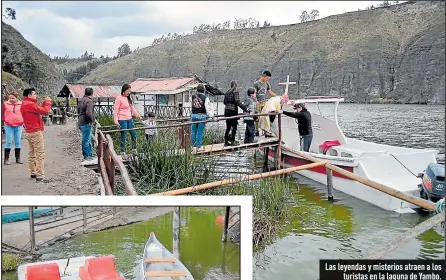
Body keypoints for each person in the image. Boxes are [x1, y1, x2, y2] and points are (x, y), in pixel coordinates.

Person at [20, 88, 52, 182]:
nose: (36, 95)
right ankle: (40, 175)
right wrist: (48, 101)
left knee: (31, 153)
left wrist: (44, 103)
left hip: (29, 131)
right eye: (34, 94)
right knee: (40, 153)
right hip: (36, 131)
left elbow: (39, 110)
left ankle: (33, 172)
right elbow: (45, 111)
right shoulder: (29, 104)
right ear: (29, 95)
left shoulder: (26, 104)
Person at [114, 83, 142, 154]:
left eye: (130, 91)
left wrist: (137, 115)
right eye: (128, 91)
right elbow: (116, 110)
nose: (129, 93)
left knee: (134, 133)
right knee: (124, 134)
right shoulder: (119, 98)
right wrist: (116, 121)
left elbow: (132, 108)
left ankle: (134, 149)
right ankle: (123, 151)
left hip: (129, 119)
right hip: (122, 119)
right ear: (124, 90)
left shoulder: (129, 98)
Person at [2, 92, 24, 165]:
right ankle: (6, 159)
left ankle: (18, 159)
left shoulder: (21, 104)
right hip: (8, 125)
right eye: (10, 98)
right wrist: (4, 120)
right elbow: (2, 113)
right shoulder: (5, 104)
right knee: (9, 141)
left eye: (13, 98)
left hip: (19, 125)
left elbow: (24, 113)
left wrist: (23, 121)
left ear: (16, 98)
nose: (11, 99)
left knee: (17, 141)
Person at [253, 70, 277, 136]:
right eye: (267, 78)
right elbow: (254, 94)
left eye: (268, 79)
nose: (267, 80)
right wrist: (256, 101)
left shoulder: (267, 83)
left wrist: (277, 96)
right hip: (257, 102)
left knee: (265, 117)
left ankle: (266, 131)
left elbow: (270, 92)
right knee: (257, 117)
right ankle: (256, 130)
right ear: (263, 76)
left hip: (264, 102)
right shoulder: (256, 84)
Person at [190, 83, 214, 151]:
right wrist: (211, 116)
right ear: (204, 90)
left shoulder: (192, 97)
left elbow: (191, 105)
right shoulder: (205, 98)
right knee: (200, 132)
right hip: (201, 116)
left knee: (193, 131)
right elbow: (208, 108)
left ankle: (191, 146)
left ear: (197, 89)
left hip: (193, 115)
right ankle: (198, 147)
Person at [223, 80, 247, 146]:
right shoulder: (235, 91)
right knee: (234, 127)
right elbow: (237, 102)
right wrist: (245, 108)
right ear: (236, 85)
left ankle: (226, 141)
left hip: (226, 111)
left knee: (228, 127)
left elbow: (224, 102)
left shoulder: (227, 92)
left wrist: (228, 105)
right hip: (233, 111)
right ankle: (233, 141)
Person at [77, 87, 95, 160]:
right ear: (92, 93)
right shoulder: (89, 101)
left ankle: (89, 153)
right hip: (86, 122)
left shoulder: (81, 100)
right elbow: (88, 113)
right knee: (86, 139)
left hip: (81, 121)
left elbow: (78, 110)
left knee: (87, 138)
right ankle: (86, 155)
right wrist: (92, 120)